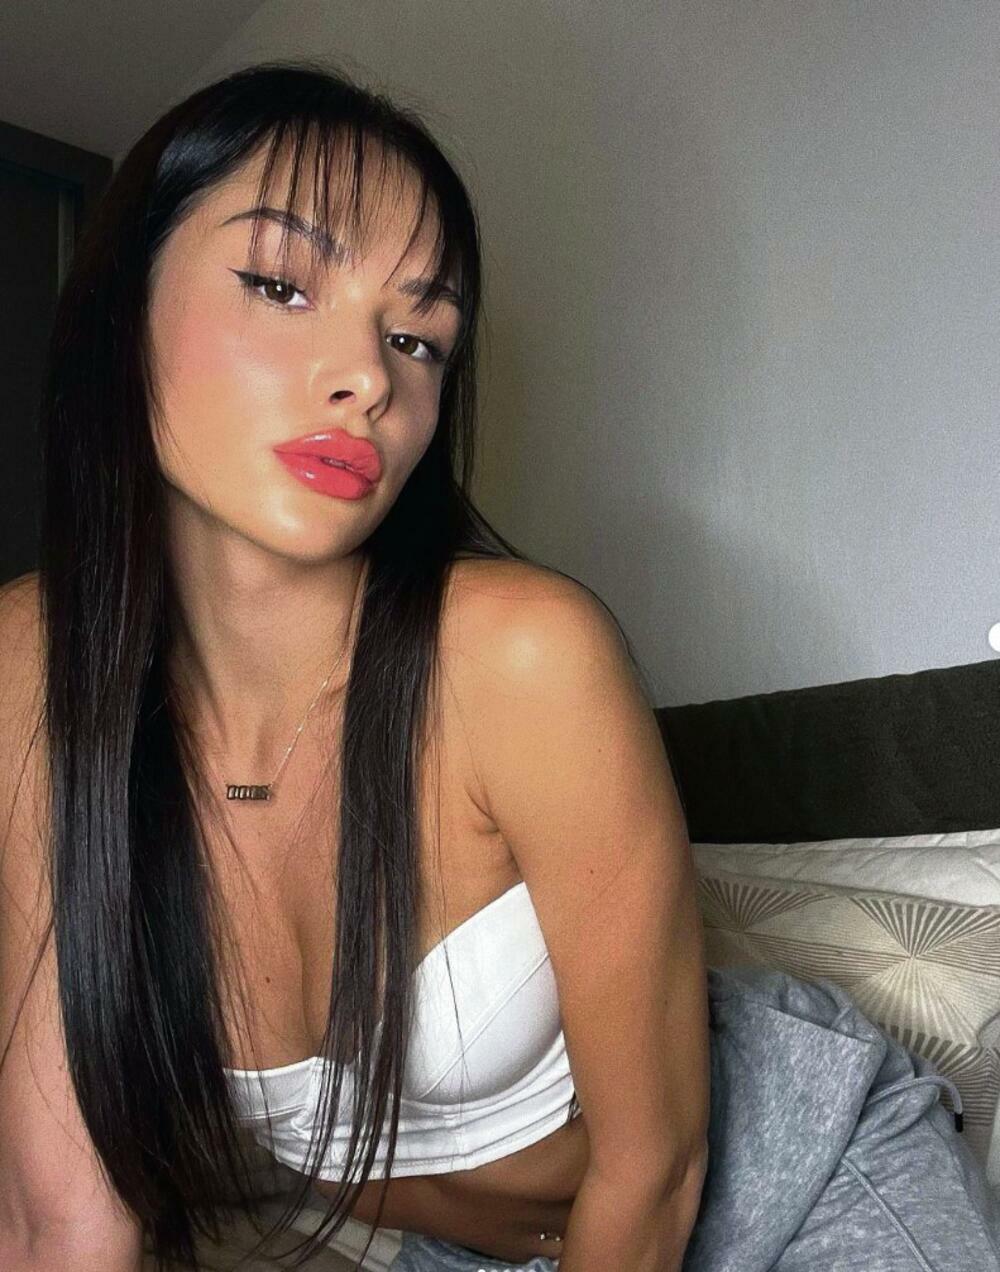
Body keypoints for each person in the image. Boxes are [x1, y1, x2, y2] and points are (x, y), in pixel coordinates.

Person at [0, 58, 996, 1272]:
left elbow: (654, 1165)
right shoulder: (32, 669)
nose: (370, 378)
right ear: (120, 311)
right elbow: (63, 1217)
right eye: (280, 284)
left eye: (417, 338)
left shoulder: (521, 657)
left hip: (787, 1173)